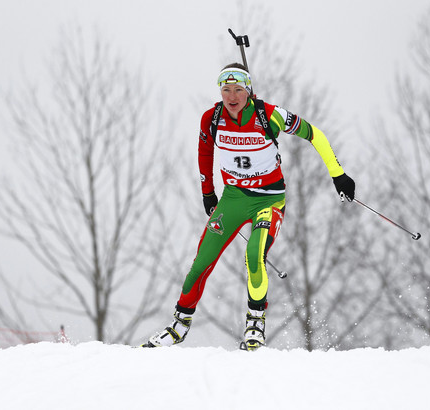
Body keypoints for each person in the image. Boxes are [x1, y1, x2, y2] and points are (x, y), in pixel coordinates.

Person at [142, 63, 355, 350]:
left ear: (248, 90)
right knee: (201, 262)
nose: (232, 96)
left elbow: (313, 134)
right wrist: (208, 193)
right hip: (233, 198)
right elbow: (205, 152)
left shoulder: (269, 115)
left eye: (238, 90)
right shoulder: (212, 118)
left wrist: (337, 173)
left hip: (269, 199)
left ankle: (255, 323)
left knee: (254, 254)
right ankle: (179, 325)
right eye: (226, 89)